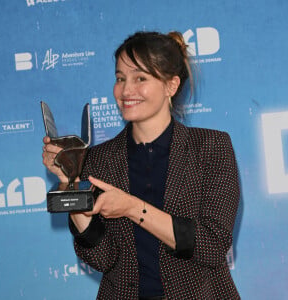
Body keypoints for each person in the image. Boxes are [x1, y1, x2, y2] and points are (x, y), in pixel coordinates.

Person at [43, 31, 240, 300]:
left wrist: (133, 208)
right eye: (120, 78)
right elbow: (103, 258)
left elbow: (212, 245)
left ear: (171, 86)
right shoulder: (99, 159)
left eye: (140, 78)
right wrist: (70, 185)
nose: (125, 90)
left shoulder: (210, 147)